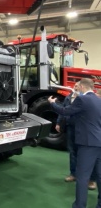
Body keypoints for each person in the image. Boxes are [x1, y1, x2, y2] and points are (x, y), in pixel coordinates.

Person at [48, 78, 101, 208]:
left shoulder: (82, 99)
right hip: (98, 141)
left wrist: (52, 103)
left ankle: (79, 205)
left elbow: (65, 111)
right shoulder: (98, 100)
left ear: (82, 87)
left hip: (87, 143)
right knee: (100, 175)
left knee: (82, 177)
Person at [55, 82, 96, 189]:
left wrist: (52, 104)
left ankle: (91, 179)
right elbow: (63, 111)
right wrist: (59, 123)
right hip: (71, 128)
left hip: (84, 130)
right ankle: (74, 174)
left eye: (78, 86)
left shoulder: (86, 99)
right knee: (72, 151)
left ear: (82, 87)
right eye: (75, 86)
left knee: (87, 155)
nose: (75, 87)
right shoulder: (68, 98)